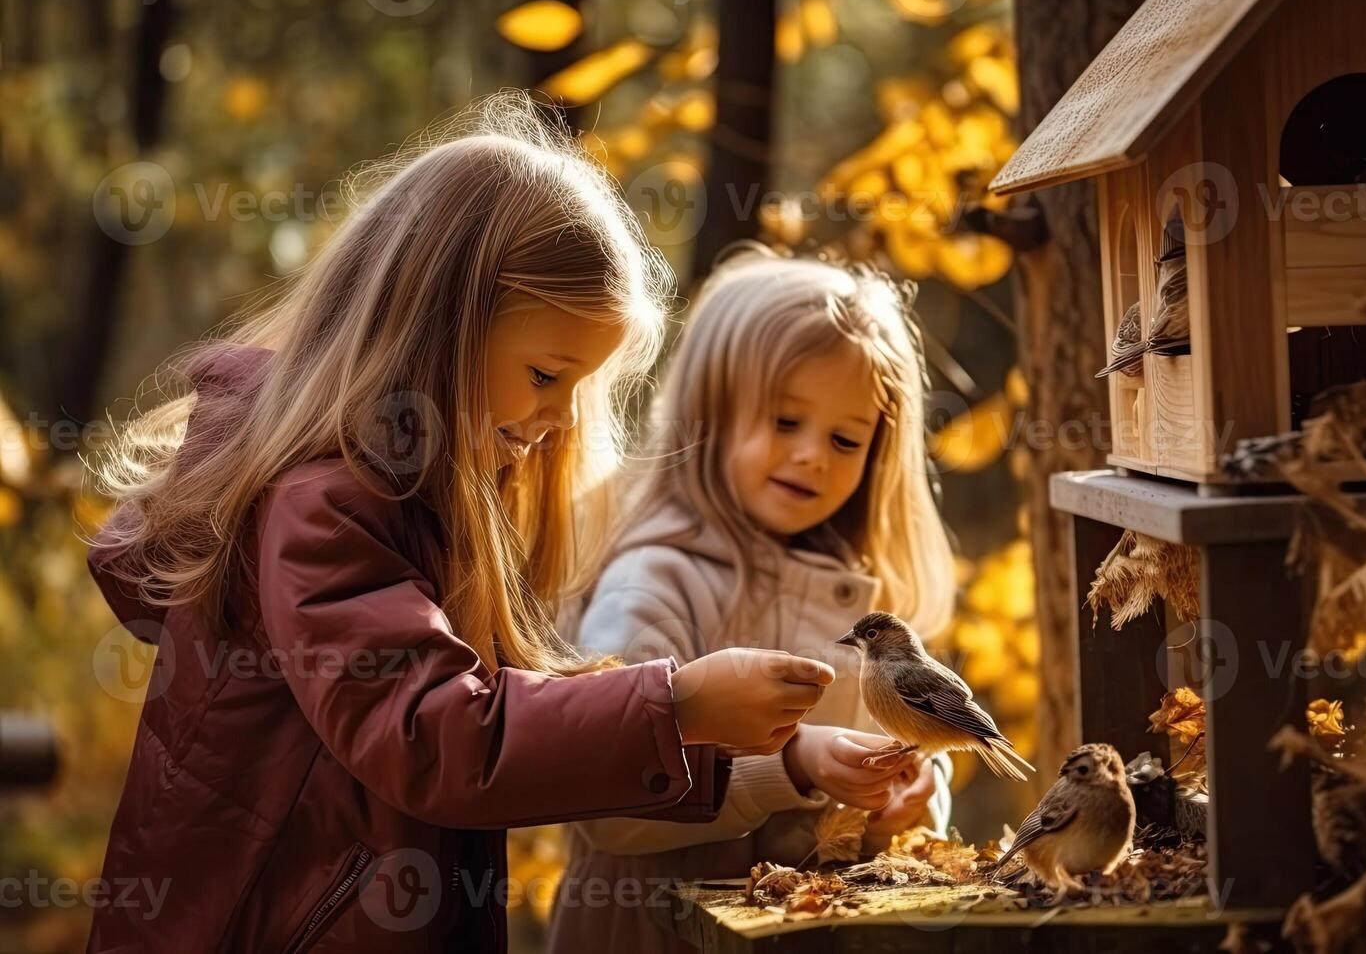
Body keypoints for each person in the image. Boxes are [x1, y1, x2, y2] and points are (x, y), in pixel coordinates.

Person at [82, 96, 833, 954]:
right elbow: (440, 739)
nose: (560, 416)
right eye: (547, 374)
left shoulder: (418, 504)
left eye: (579, 387)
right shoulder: (324, 506)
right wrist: (680, 701)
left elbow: (518, 736)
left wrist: (779, 760)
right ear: (438, 328)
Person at [549, 246, 957, 952]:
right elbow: (605, 801)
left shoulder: (862, 597)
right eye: (785, 422)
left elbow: (884, 786)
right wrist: (789, 766)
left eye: (844, 438)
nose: (812, 457)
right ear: (710, 417)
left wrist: (909, 795)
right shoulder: (654, 581)